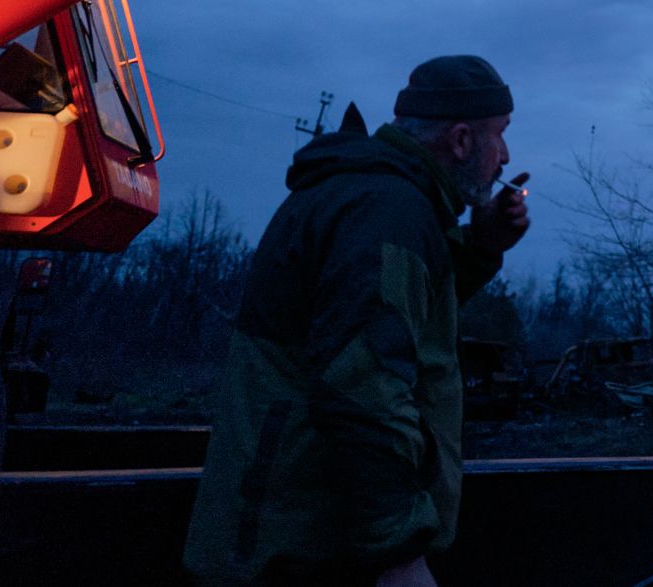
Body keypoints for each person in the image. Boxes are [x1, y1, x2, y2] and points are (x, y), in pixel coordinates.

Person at [184, 56, 531, 587]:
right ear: (462, 141)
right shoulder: (386, 211)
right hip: (297, 551)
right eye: (499, 135)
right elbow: (364, 388)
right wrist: (399, 555)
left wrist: (481, 247)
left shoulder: (382, 202)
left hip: (294, 536)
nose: (505, 156)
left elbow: (394, 316)